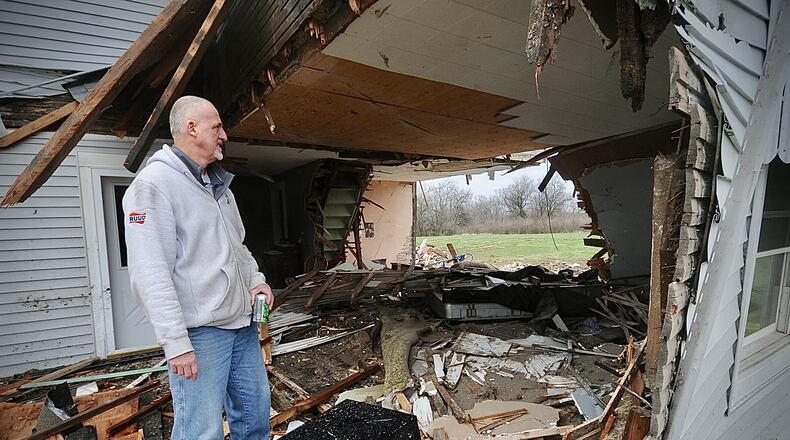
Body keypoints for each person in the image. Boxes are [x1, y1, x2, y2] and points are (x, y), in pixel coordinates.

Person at [123, 95, 273, 439]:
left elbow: (238, 248)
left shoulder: (219, 186)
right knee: (200, 431)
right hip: (201, 334)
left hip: (242, 325)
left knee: (255, 418)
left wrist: (256, 281)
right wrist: (176, 343)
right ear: (192, 128)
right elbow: (150, 273)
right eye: (217, 126)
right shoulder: (153, 186)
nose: (224, 135)